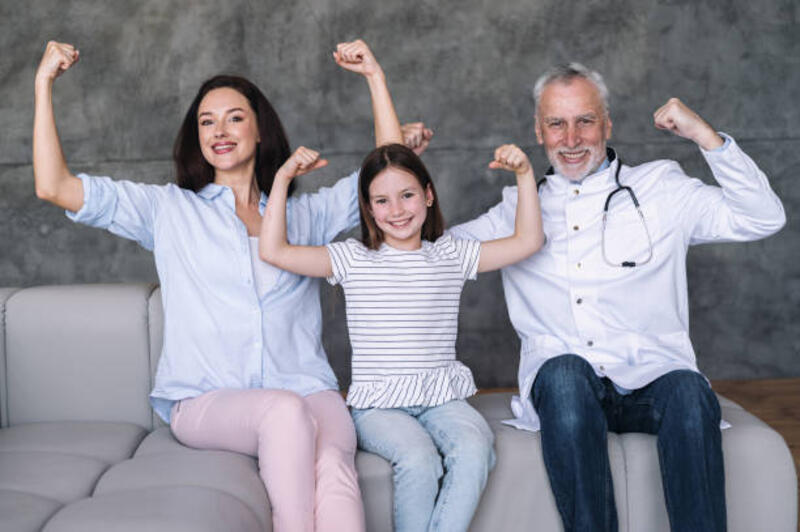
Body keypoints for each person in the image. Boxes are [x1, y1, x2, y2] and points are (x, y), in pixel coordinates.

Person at [32, 39, 428, 532]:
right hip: (206, 401)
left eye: (234, 118)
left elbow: (384, 171)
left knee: (334, 469)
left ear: (260, 129)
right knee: (283, 414)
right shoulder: (168, 211)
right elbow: (53, 185)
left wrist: (375, 76)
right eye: (206, 121)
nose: (219, 130)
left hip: (306, 387)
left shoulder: (303, 214)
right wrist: (43, 82)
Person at [448, 63, 786, 531]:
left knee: (690, 391)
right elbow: (431, 256)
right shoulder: (515, 209)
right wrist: (399, 158)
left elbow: (762, 218)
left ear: (607, 123)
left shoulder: (662, 187)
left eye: (585, 121)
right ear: (538, 130)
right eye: (556, 123)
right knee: (564, 373)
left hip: (654, 376)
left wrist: (704, 136)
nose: (571, 138)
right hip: (568, 390)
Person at [260, 40, 545, 532]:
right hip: (378, 405)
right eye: (382, 201)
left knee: (476, 448)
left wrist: (524, 177)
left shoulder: (451, 254)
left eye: (408, 195)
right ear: (368, 210)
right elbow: (275, 252)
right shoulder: (353, 258)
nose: (397, 210)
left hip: (440, 396)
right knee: (418, 461)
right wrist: (283, 178)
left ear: (428, 196)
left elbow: (527, 241)